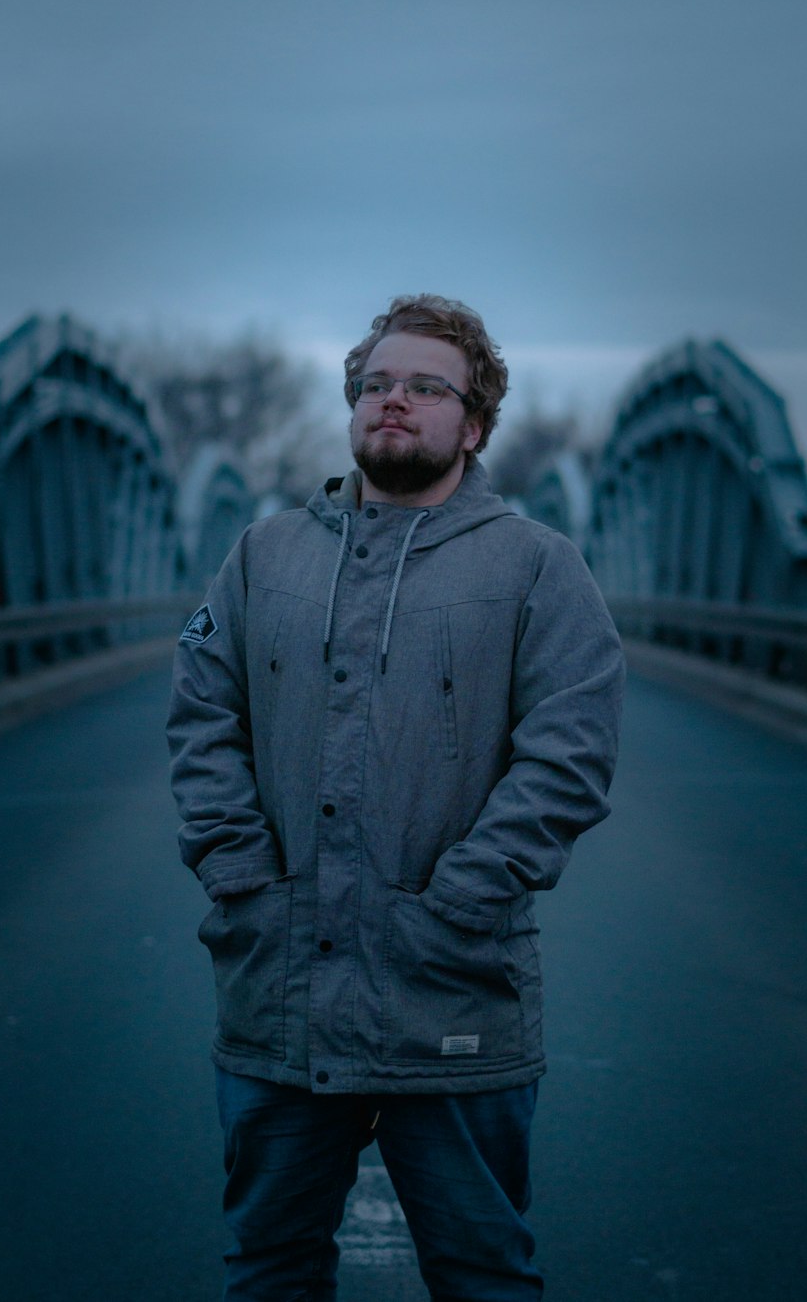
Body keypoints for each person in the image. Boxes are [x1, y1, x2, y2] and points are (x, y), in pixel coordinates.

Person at [167, 295, 624, 1300]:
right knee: (270, 1268)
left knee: (481, 1273)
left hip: (451, 992)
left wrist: (461, 903)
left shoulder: (537, 568)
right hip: (276, 989)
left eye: (425, 386)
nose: (393, 401)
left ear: (473, 423)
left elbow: (571, 753)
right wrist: (237, 871)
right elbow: (200, 711)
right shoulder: (263, 556)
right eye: (375, 383)